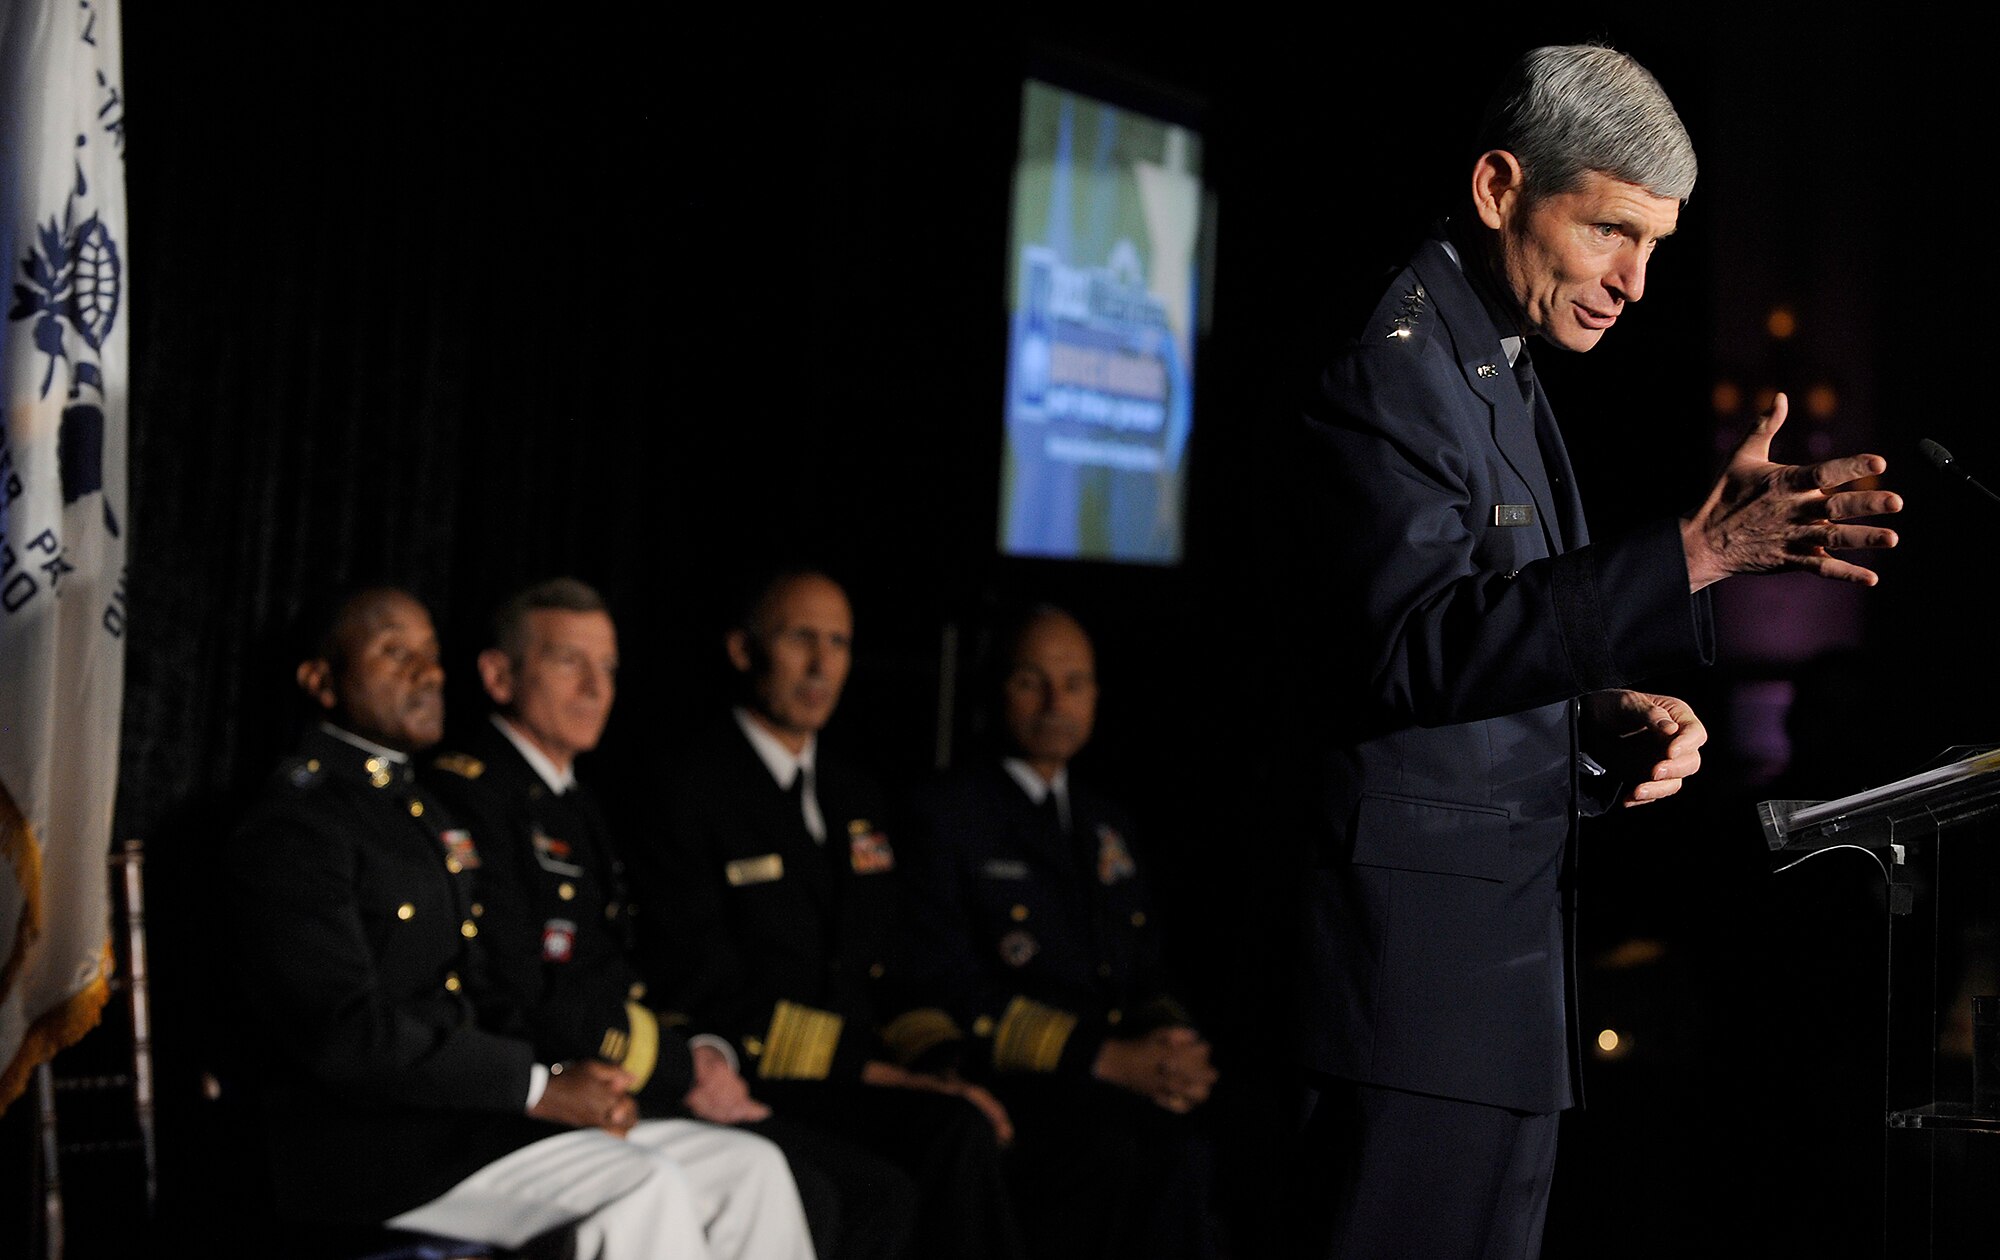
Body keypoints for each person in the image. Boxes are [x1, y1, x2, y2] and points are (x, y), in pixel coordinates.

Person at [1280, 43, 1903, 1258]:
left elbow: (1479, 641)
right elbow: (1406, 648)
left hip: (1499, 997)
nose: (1631, 281)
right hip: (1409, 1002)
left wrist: (1595, 717)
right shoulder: (1387, 365)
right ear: (1499, 187)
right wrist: (1690, 560)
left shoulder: (1497, 362)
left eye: (1656, 247)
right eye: (1611, 230)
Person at [217, 585, 816, 1260]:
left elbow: (486, 994)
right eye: (394, 652)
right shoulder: (298, 827)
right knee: (638, 1189)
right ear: (320, 680)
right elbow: (344, 1033)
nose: (429, 671)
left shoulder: (422, 814)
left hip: (466, 1116)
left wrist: (580, 1082)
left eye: (431, 652)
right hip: (366, 1148)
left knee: (748, 1170)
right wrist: (537, 1087)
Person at [422, 576, 918, 1260]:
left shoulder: (574, 801)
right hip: (534, 1086)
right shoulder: (476, 794)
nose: (596, 688)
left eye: (609, 669)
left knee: (801, 1178)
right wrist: (682, 1069)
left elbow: (615, 968)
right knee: (805, 1185)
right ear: (498, 675)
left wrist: (695, 1059)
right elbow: (520, 989)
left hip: (621, 1070)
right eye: (570, 662)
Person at [627, 568, 1029, 1260]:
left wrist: (940, 1063)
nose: (822, 666)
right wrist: (886, 1074)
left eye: (838, 643)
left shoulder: (855, 793)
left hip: (855, 1074)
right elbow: (702, 988)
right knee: (931, 1149)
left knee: (977, 1121)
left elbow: (890, 964)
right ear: (742, 650)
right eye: (800, 640)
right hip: (762, 1076)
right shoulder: (686, 787)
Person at [893, 603, 1228, 1259]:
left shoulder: (1108, 824)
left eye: (1074, 684)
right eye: (1032, 681)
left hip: (1120, 1074)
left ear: (1096, 696)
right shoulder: (944, 814)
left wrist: (1173, 1046)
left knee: (1210, 1137)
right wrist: (1100, 1058)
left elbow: (1145, 968)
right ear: (997, 688)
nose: (1056, 702)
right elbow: (943, 985)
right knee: (1111, 1154)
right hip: (1019, 1078)